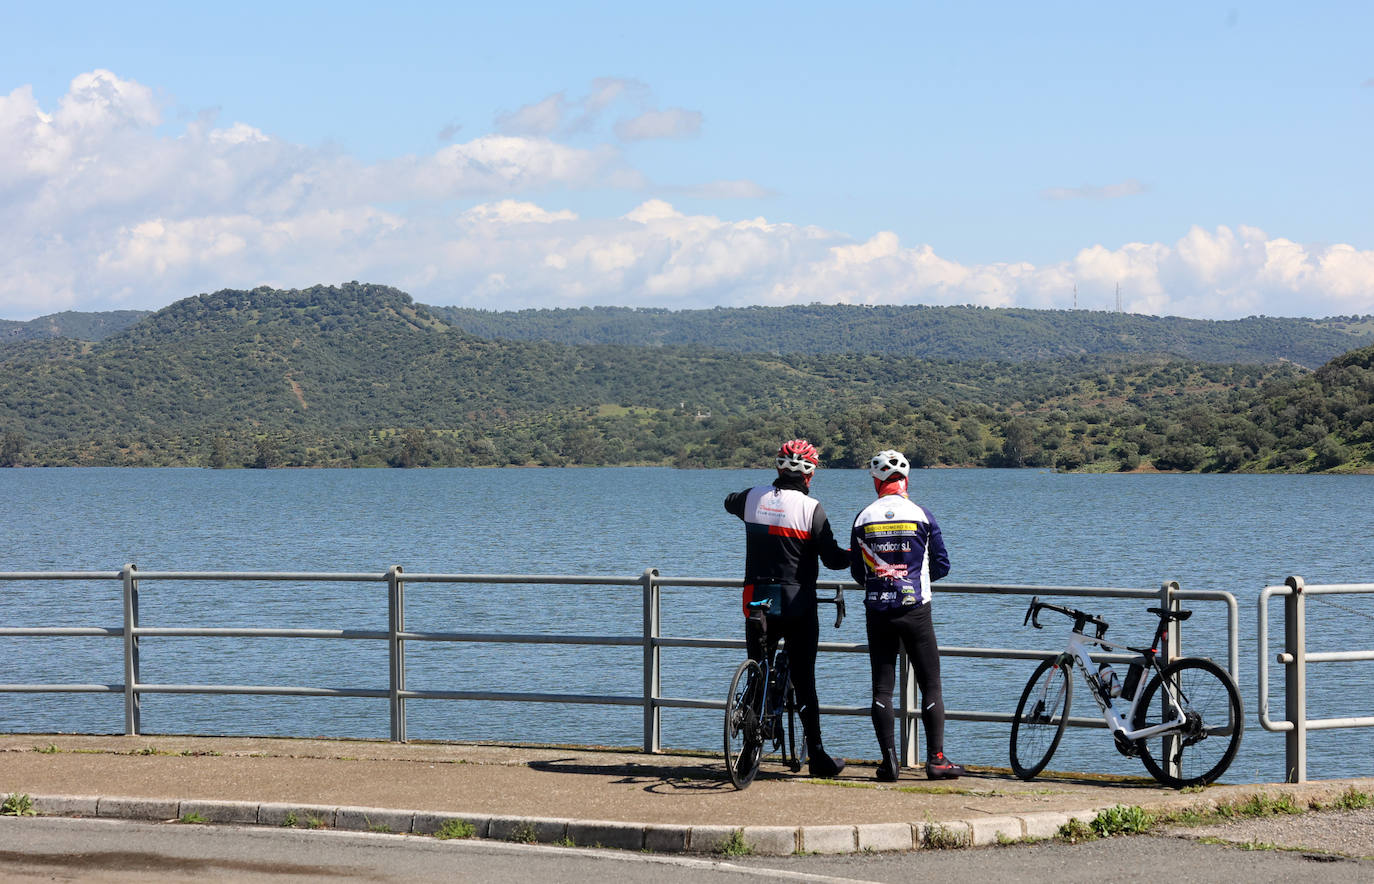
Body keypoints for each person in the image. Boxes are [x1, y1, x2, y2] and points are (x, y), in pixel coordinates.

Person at [724, 438, 851, 778]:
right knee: (804, 679)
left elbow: (728, 502)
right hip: (797, 602)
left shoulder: (752, 498)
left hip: (757, 597)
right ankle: (819, 758)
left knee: (758, 669)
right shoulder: (812, 510)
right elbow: (834, 559)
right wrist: (861, 554)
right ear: (810, 475)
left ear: (778, 468)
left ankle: (749, 751)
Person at [850, 449, 965, 781]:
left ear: (876, 481)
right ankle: (936, 761)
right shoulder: (922, 514)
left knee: (882, 690)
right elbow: (942, 565)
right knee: (931, 684)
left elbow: (858, 572)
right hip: (916, 610)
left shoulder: (863, 517)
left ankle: (889, 764)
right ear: (906, 480)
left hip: (878, 610)